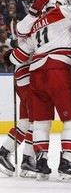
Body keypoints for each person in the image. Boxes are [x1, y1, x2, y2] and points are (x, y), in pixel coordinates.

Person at [8, 0, 71, 181]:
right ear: (58, 5)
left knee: (41, 122)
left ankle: (41, 163)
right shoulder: (62, 13)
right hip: (57, 70)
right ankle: (67, 163)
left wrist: (8, 55)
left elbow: (17, 56)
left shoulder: (35, 27)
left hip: (36, 75)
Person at [0, 38, 35, 178]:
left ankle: (5, 151)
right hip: (29, 79)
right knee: (37, 121)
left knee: (26, 122)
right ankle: (27, 159)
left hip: (23, 79)